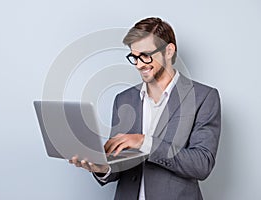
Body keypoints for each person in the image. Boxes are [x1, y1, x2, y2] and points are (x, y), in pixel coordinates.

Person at [69, 17, 221, 200]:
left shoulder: (203, 97)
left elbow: (201, 164)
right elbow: (119, 163)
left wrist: (144, 142)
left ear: (169, 51)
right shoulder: (123, 99)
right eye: (134, 57)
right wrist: (103, 168)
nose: (139, 64)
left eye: (146, 55)